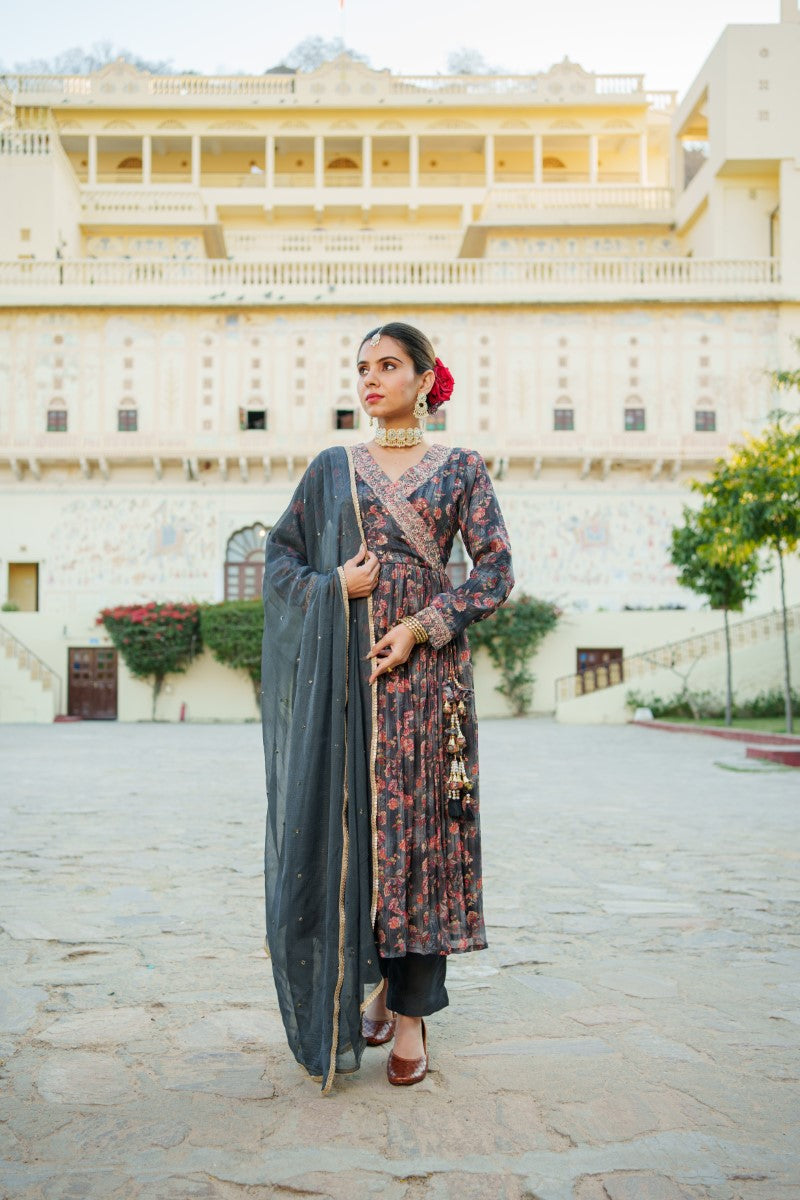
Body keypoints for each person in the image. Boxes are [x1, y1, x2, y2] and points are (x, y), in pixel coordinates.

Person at [261, 321, 514, 1093]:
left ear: (425, 376)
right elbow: (281, 559)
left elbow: (496, 572)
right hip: (351, 684)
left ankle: (411, 1017)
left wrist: (417, 626)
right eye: (362, 367)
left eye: (389, 365)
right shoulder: (331, 469)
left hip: (430, 683)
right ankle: (367, 979)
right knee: (356, 840)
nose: (370, 379)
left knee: (420, 846)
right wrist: (338, 586)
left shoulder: (461, 468)